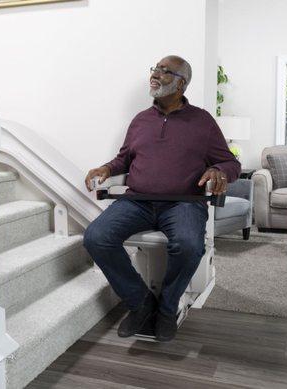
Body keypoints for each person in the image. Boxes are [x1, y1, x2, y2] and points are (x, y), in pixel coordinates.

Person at [83, 55, 241, 342]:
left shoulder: (202, 121)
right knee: (96, 236)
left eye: (165, 72)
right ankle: (140, 302)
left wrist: (218, 170)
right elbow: (124, 159)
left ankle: (167, 308)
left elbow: (231, 164)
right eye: (155, 69)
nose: (156, 74)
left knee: (190, 244)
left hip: (184, 202)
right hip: (137, 201)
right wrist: (106, 168)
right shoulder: (140, 120)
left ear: (181, 84)